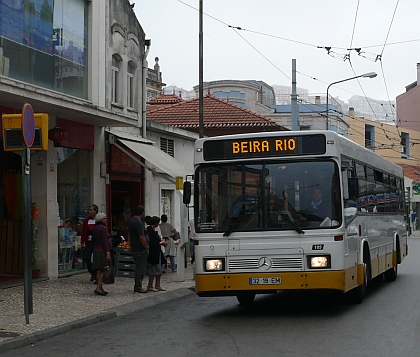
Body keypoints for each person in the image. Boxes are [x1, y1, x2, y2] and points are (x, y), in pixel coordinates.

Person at [128, 205, 149, 293]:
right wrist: (146, 246)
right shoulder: (138, 222)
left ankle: (138, 285)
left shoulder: (131, 220)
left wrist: (130, 244)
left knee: (138, 266)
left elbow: (129, 234)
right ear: (142, 213)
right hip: (140, 248)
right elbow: (142, 237)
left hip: (134, 247)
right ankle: (138, 286)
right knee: (140, 268)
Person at [91, 212, 111, 296]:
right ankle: (99, 287)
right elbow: (104, 241)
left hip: (96, 249)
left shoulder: (95, 228)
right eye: (105, 218)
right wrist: (107, 252)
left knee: (99, 269)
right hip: (101, 250)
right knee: (103, 269)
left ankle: (100, 287)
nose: (106, 220)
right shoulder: (103, 228)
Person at [146, 216, 167, 292]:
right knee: (153, 270)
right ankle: (151, 285)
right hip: (153, 253)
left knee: (158, 270)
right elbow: (153, 243)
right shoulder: (150, 231)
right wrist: (161, 243)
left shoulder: (151, 230)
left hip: (156, 252)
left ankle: (157, 285)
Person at [81, 204, 98, 282]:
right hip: (89, 241)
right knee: (86, 257)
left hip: (97, 242)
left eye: (91, 210)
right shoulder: (87, 220)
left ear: (95, 211)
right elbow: (84, 231)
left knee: (97, 259)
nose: (89, 211)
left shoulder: (99, 219)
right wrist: (82, 242)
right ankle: (92, 272)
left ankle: (98, 276)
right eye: (89, 210)